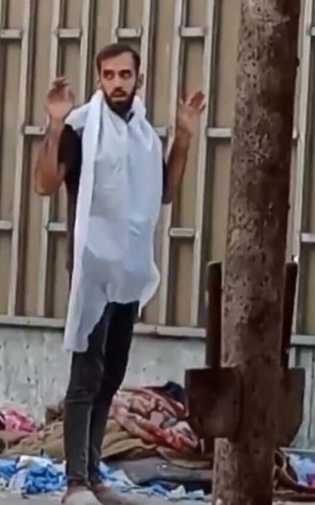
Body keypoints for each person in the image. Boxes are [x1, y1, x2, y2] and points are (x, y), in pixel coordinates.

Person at [32, 43, 206, 505]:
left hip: (129, 271)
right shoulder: (82, 129)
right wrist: (54, 123)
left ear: (138, 80)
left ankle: (93, 473)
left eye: (124, 75)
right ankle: (75, 483)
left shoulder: (146, 137)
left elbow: (165, 192)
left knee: (111, 375)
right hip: (92, 269)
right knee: (85, 376)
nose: (116, 84)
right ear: (98, 79)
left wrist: (185, 136)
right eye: (108, 75)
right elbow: (45, 183)